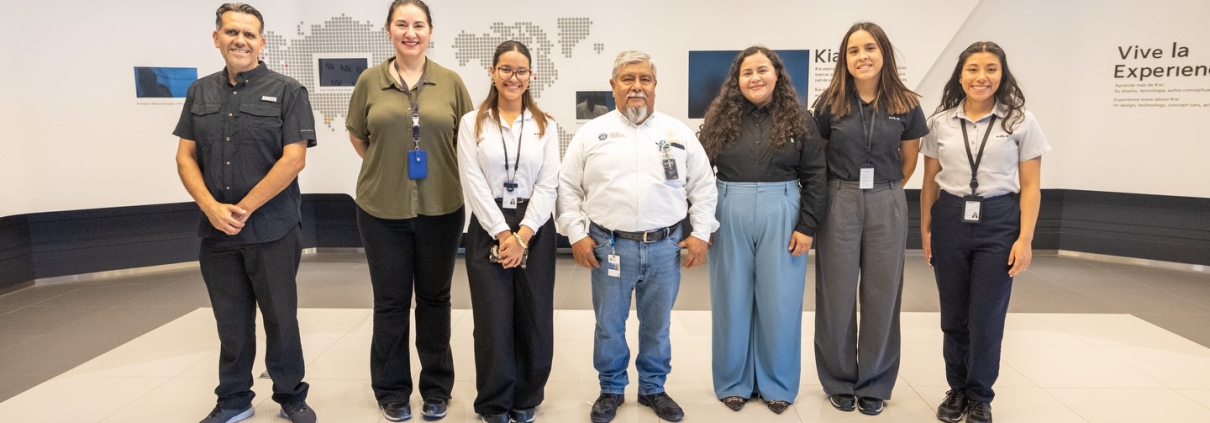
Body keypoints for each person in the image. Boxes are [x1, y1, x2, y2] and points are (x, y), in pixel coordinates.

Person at [173, 3, 317, 423]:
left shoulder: (288, 91)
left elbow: (293, 159)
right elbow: (185, 157)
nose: (240, 40)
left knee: (280, 319)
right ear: (216, 38)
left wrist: (243, 208)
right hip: (216, 233)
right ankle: (235, 399)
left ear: (262, 42)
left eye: (249, 34)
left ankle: (290, 395)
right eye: (232, 32)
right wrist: (211, 207)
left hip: (272, 230)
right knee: (231, 322)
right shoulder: (199, 92)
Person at [557, 50, 718, 423]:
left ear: (655, 85)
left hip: (664, 247)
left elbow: (703, 186)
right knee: (609, 325)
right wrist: (576, 234)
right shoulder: (591, 134)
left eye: (645, 79)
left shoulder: (676, 133)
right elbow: (567, 187)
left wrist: (701, 233)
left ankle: (652, 389)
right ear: (613, 85)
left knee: (657, 326)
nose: (636, 87)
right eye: (628, 79)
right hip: (609, 245)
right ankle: (611, 389)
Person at [345, 0, 473, 420]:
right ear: (389, 30)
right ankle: (392, 390)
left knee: (436, 300)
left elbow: (465, 140)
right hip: (381, 209)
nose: (410, 33)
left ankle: (436, 388)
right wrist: (386, 169)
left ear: (430, 31)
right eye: (401, 24)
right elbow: (359, 136)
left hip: (441, 207)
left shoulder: (451, 82)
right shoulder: (369, 81)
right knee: (390, 302)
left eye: (418, 25)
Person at [920, 41, 1050, 423]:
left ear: (1002, 74)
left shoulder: (1021, 121)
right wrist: (926, 230)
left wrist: (1025, 239)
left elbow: (1031, 186)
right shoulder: (940, 122)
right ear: (960, 76)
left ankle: (980, 395)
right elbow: (929, 182)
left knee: (986, 316)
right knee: (953, 315)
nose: (981, 77)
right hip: (950, 218)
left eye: (991, 69)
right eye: (973, 69)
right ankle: (957, 389)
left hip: (999, 220)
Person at [697, 46, 825, 414]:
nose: (755, 77)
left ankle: (778, 383)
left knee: (780, 301)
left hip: (783, 210)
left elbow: (816, 175)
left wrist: (807, 226)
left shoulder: (801, 120)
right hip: (728, 208)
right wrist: (701, 225)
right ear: (737, 80)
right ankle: (733, 382)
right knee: (731, 299)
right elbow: (699, 175)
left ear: (777, 74)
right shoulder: (718, 119)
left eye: (762, 70)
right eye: (747, 72)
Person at [811, 22, 928, 416]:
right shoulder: (829, 104)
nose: (862, 56)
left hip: (886, 198)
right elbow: (820, 157)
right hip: (839, 199)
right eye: (853, 50)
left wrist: (883, 191)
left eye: (870, 48)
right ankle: (839, 380)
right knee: (836, 294)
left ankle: (875, 382)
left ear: (884, 54)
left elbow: (909, 160)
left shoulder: (906, 104)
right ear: (844, 59)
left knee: (883, 294)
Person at [456, 40, 560, 423]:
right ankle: (494, 402)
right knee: (493, 320)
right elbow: (472, 182)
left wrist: (523, 235)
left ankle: (526, 398)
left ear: (531, 76)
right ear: (492, 72)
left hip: (535, 225)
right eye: (505, 69)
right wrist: (503, 235)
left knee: (535, 317)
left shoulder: (545, 125)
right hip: (489, 225)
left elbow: (549, 184)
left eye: (521, 71)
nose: (513, 77)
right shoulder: (473, 123)